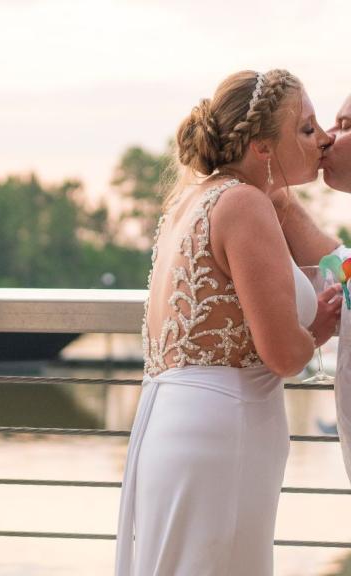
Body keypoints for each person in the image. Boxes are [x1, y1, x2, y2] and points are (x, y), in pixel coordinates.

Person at [114, 69, 343, 576]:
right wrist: (318, 334)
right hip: (224, 430)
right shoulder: (245, 204)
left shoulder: (192, 200)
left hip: (172, 421)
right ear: (263, 147)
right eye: (306, 129)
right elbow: (283, 354)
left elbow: (336, 261)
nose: (324, 138)